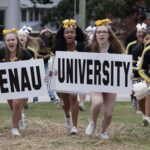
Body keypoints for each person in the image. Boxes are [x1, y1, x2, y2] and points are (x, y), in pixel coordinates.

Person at [85, 19, 124, 140]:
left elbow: (123, 66)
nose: (101, 34)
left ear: (108, 35)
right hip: (95, 82)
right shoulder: (89, 49)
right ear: (95, 35)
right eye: (99, 32)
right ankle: (92, 122)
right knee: (97, 102)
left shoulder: (116, 49)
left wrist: (129, 75)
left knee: (108, 113)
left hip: (111, 83)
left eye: (104, 32)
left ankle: (103, 131)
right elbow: (79, 65)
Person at [53, 19, 87, 135]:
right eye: (67, 32)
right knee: (64, 99)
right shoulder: (58, 46)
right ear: (63, 34)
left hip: (76, 76)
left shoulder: (82, 46)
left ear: (76, 34)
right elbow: (54, 63)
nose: (69, 34)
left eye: (72, 32)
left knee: (73, 97)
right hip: (62, 76)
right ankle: (67, 115)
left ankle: (74, 126)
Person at [0, 28, 32, 136]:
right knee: (13, 106)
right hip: (7, 84)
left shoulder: (25, 53)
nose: (10, 42)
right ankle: (20, 116)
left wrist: (42, 77)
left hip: (22, 83)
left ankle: (14, 128)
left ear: (17, 40)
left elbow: (34, 69)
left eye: (12, 39)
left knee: (17, 103)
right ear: (5, 42)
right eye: (8, 40)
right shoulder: (1, 52)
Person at [18, 26, 39, 103]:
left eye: (24, 36)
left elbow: (35, 63)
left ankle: (25, 102)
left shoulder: (31, 51)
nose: (22, 37)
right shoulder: (13, 49)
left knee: (25, 91)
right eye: (20, 36)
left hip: (27, 73)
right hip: (16, 73)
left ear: (27, 39)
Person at [38, 27, 59, 104]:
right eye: (46, 32)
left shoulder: (52, 42)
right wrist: (42, 56)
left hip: (47, 63)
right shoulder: (38, 41)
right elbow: (34, 52)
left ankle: (52, 97)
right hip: (38, 63)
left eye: (49, 32)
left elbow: (53, 52)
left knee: (49, 81)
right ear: (42, 34)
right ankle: (35, 99)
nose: (47, 33)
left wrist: (49, 55)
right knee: (38, 81)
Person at [138, 30, 150, 126]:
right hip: (146, 78)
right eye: (147, 38)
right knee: (142, 92)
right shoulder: (146, 50)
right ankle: (146, 116)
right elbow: (141, 69)